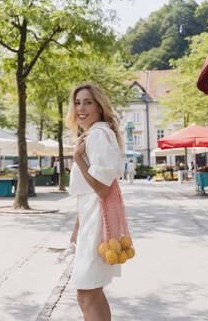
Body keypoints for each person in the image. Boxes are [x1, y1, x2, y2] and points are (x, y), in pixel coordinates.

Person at [66, 83, 125, 320]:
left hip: (97, 223)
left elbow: (101, 188)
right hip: (90, 221)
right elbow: (86, 193)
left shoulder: (98, 136)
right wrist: (76, 229)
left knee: (87, 295)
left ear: (100, 107)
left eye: (88, 102)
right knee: (94, 294)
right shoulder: (93, 135)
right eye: (77, 102)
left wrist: (77, 158)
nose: (81, 108)